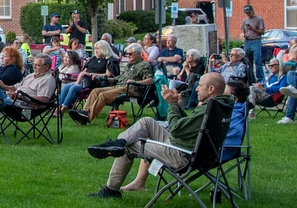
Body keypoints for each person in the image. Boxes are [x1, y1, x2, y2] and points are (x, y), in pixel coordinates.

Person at [86, 73, 231, 198]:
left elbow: (175, 129)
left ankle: (111, 190)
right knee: (147, 122)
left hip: (181, 155)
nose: (197, 88)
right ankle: (117, 142)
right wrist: (178, 108)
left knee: (130, 146)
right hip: (201, 155)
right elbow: (188, 126)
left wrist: (172, 104)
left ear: (211, 89)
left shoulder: (207, 110)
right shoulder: (221, 106)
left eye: (200, 85)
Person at [0, 55, 58, 144]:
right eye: (34, 64)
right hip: (14, 99)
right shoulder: (31, 76)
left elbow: (43, 99)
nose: (34, 66)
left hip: (24, 106)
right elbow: (16, 87)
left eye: (38, 65)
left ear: (47, 67)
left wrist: (20, 96)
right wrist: (4, 86)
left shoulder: (48, 80)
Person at [71, 43, 154, 125]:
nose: (128, 55)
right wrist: (104, 78)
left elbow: (150, 80)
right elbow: (118, 78)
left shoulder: (144, 65)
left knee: (103, 95)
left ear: (138, 54)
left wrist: (136, 82)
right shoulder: (130, 64)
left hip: (133, 89)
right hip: (120, 86)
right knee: (96, 91)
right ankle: (84, 112)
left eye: (130, 54)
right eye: (126, 54)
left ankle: (87, 117)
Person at [63, 41, 119, 113]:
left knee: (74, 88)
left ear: (104, 49)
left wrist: (92, 74)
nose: (96, 51)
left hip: (96, 83)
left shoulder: (110, 60)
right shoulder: (93, 58)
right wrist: (79, 80)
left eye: (98, 49)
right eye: (95, 49)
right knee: (65, 87)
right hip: (84, 81)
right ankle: (59, 107)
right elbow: (83, 71)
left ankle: (62, 109)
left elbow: (108, 75)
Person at [238, 4, 266, 81]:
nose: (248, 14)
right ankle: (250, 77)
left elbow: (262, 32)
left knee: (257, 60)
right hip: (247, 41)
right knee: (247, 60)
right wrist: (243, 35)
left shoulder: (259, 19)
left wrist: (252, 29)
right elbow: (243, 31)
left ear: (252, 11)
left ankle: (260, 78)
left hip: (256, 40)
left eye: (249, 12)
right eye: (246, 13)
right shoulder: (245, 21)